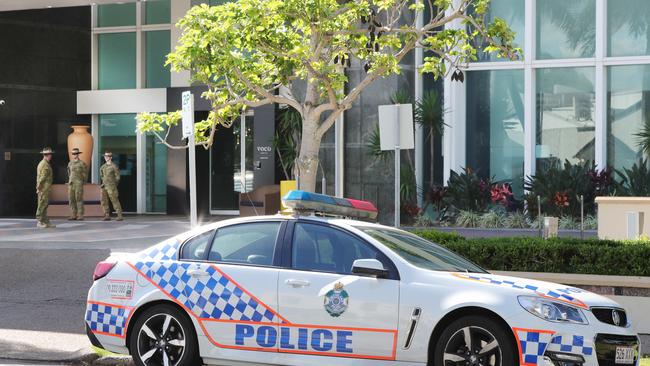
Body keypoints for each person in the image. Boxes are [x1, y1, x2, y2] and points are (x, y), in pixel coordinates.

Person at [35, 147, 55, 228]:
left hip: (46, 188)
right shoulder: (44, 164)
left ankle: (45, 220)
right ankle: (40, 221)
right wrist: (39, 188)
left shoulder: (46, 164)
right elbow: (42, 178)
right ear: (46, 155)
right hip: (43, 188)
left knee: (45, 204)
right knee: (42, 204)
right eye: (50, 154)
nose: (51, 156)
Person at [100, 151, 123, 221]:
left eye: (107, 156)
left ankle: (119, 215)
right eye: (105, 156)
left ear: (111, 157)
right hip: (104, 186)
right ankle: (107, 215)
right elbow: (102, 176)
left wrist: (114, 184)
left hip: (111, 186)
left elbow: (118, 177)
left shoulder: (114, 166)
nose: (106, 157)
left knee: (114, 200)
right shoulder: (103, 167)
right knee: (104, 201)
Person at [67, 147, 88, 220]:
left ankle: (80, 215)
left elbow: (85, 174)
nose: (74, 155)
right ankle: (73, 214)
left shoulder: (82, 163)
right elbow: (69, 173)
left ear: (78, 154)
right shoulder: (70, 163)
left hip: (78, 183)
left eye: (76, 153)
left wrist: (83, 182)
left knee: (79, 199)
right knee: (71, 199)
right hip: (71, 183)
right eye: (73, 153)